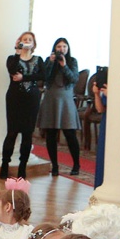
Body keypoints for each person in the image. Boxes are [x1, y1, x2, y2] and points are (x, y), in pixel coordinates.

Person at [0, 32, 44, 179]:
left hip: (31, 99)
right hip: (14, 98)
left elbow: (43, 76)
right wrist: (18, 52)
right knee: (12, 132)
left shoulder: (38, 60)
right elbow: (12, 70)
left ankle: (22, 168)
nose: (27, 42)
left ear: (34, 43)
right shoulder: (12, 59)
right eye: (24, 39)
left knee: (27, 133)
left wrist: (24, 77)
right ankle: (5, 165)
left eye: (29, 40)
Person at [36, 37, 82, 177]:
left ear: (67, 49)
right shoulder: (48, 60)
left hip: (66, 99)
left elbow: (74, 78)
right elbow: (44, 78)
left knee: (70, 134)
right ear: (54, 48)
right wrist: (50, 63)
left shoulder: (72, 61)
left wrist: (64, 65)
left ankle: (76, 164)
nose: (61, 49)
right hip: (51, 98)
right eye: (59, 46)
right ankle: (54, 165)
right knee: (51, 133)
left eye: (64, 46)